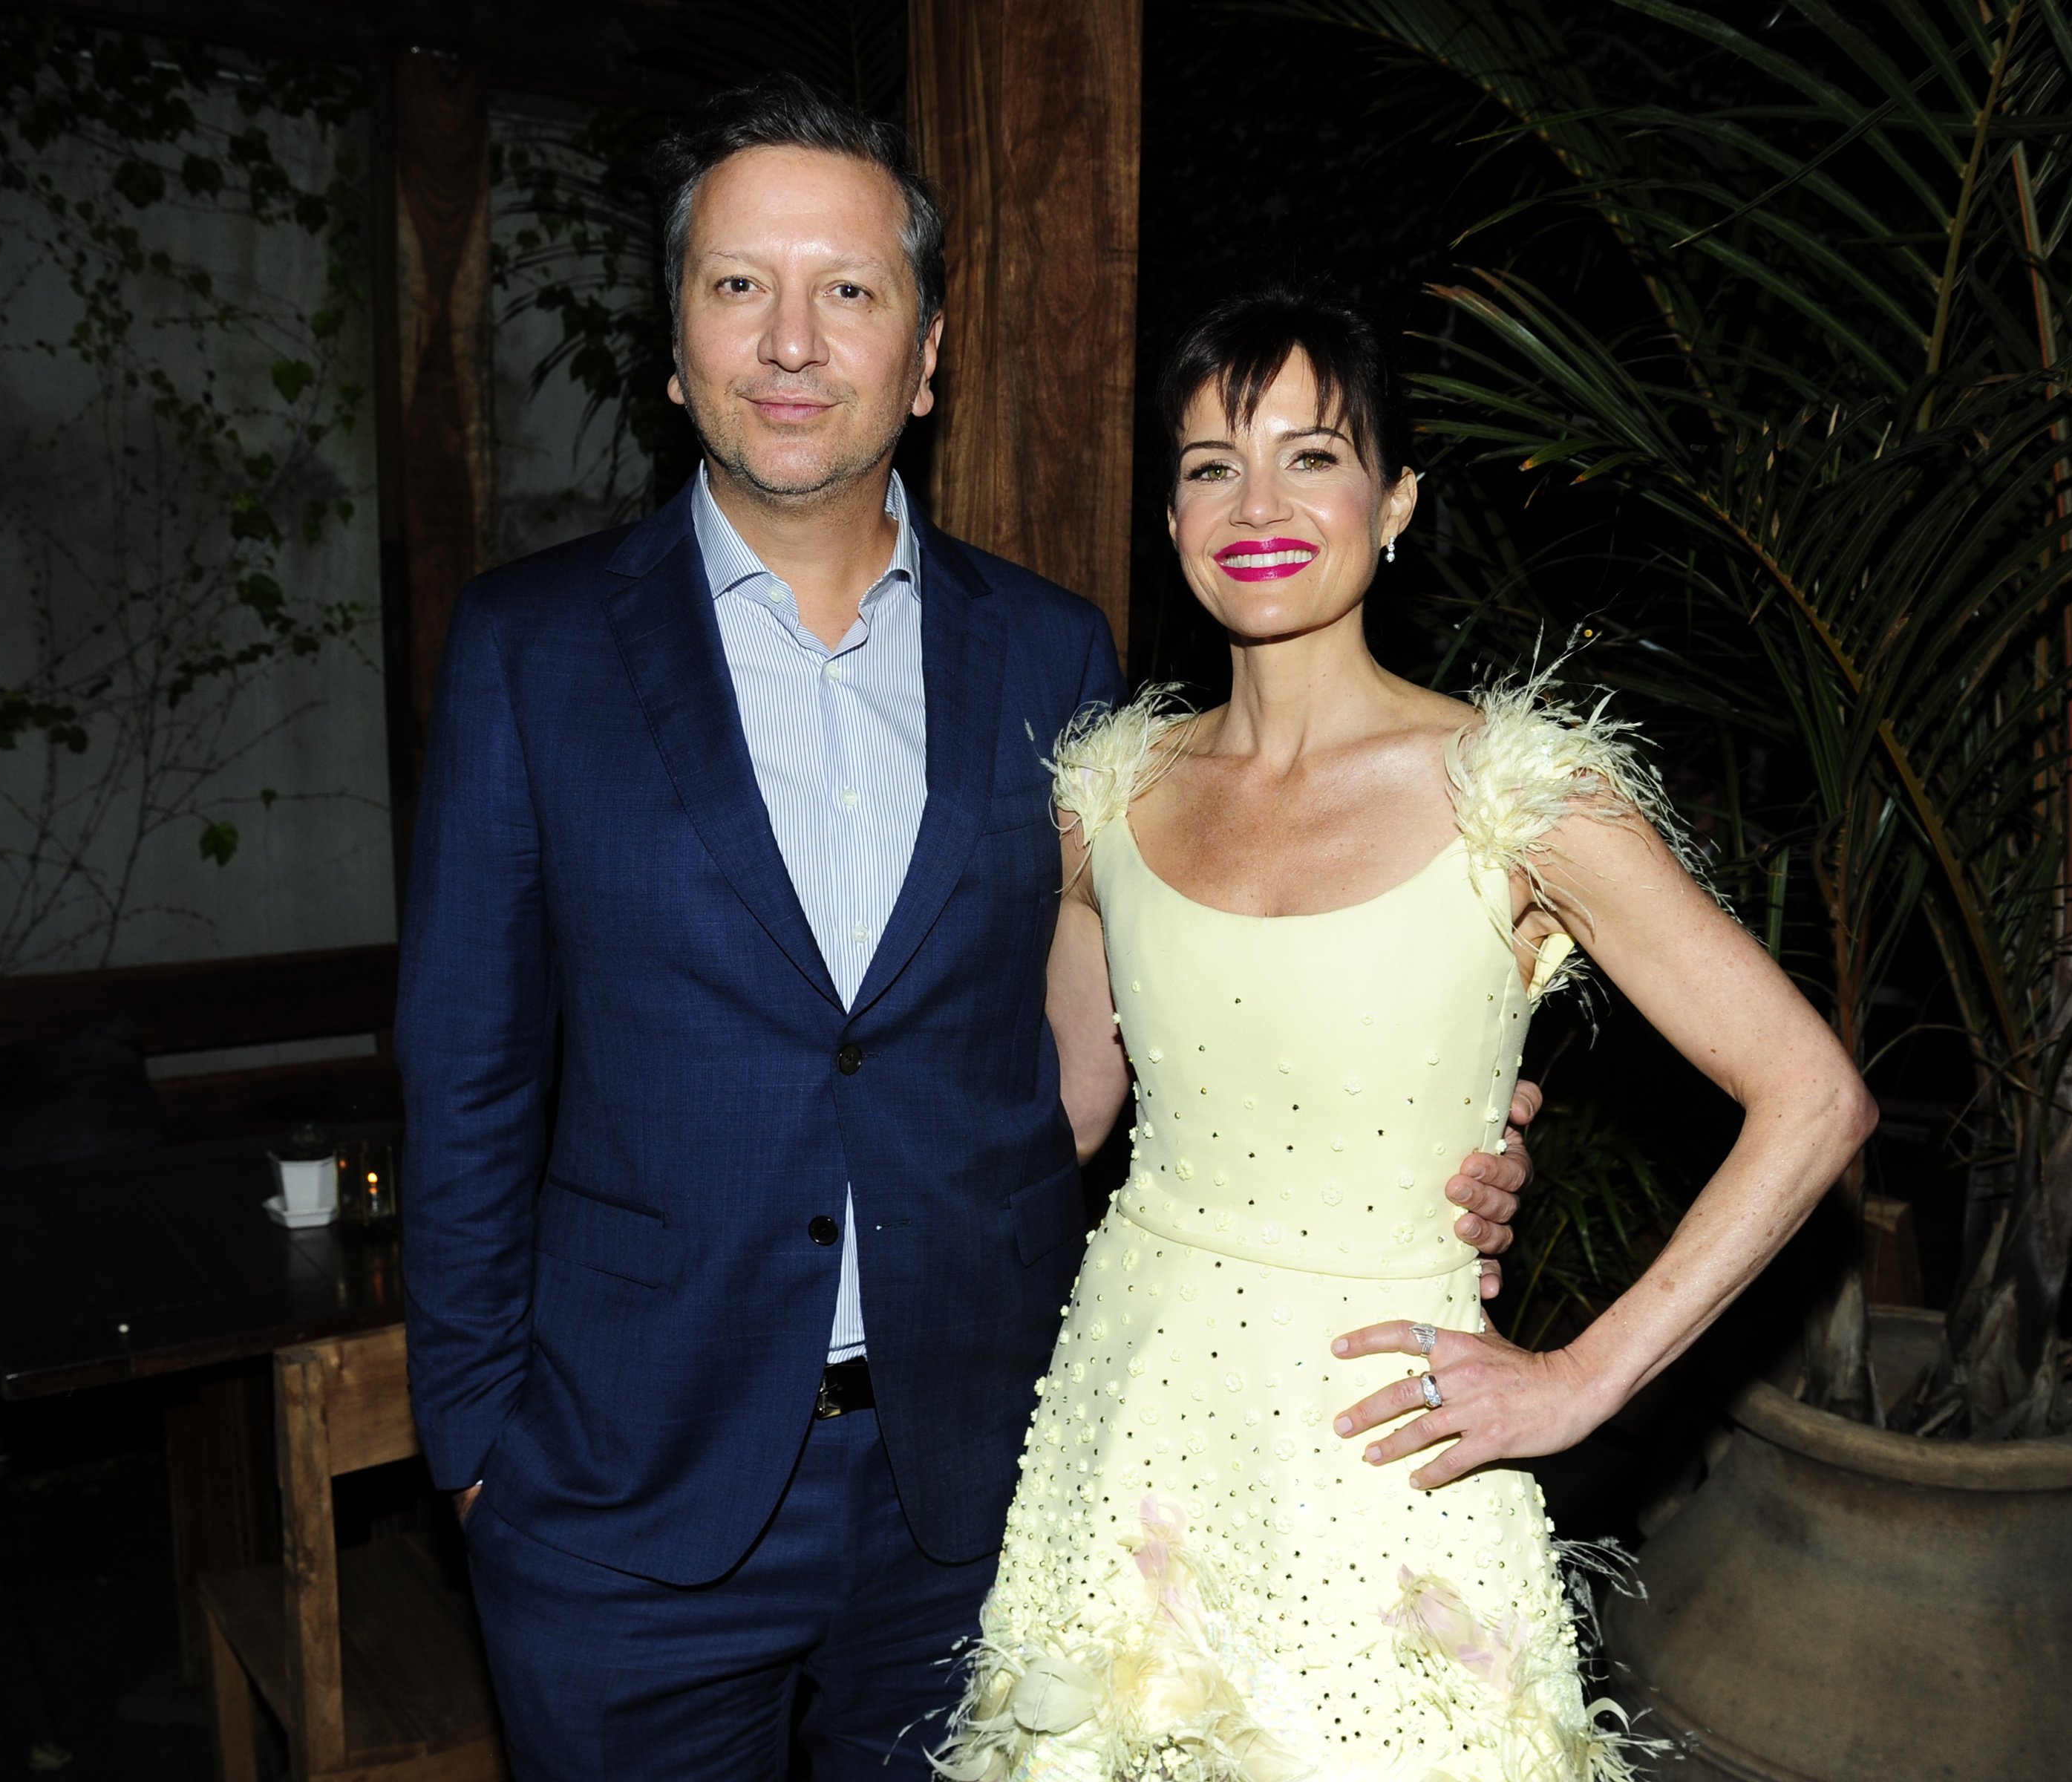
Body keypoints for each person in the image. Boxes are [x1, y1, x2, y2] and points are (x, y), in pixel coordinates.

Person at [395, 82, 1537, 1781]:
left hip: (978, 1485)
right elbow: (464, 1075)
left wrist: (1419, 1132)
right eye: (738, 286)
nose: (791, 339)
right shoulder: (528, 649)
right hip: (619, 1501)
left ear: (925, 359)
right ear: (674, 341)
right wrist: (476, 1450)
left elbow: (1144, 1021)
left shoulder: (1053, 659)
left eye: (849, 290)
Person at [935, 293, 1877, 1782]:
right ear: (1168, 513)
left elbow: (1813, 1099)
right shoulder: (1106, 795)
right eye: (1208, 466)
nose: (1257, 507)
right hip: (1138, 1427)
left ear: (1398, 502)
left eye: (1312, 457)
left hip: (1388, 1445)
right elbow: (1065, 1106)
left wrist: (1579, 1379)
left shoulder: (1517, 791)